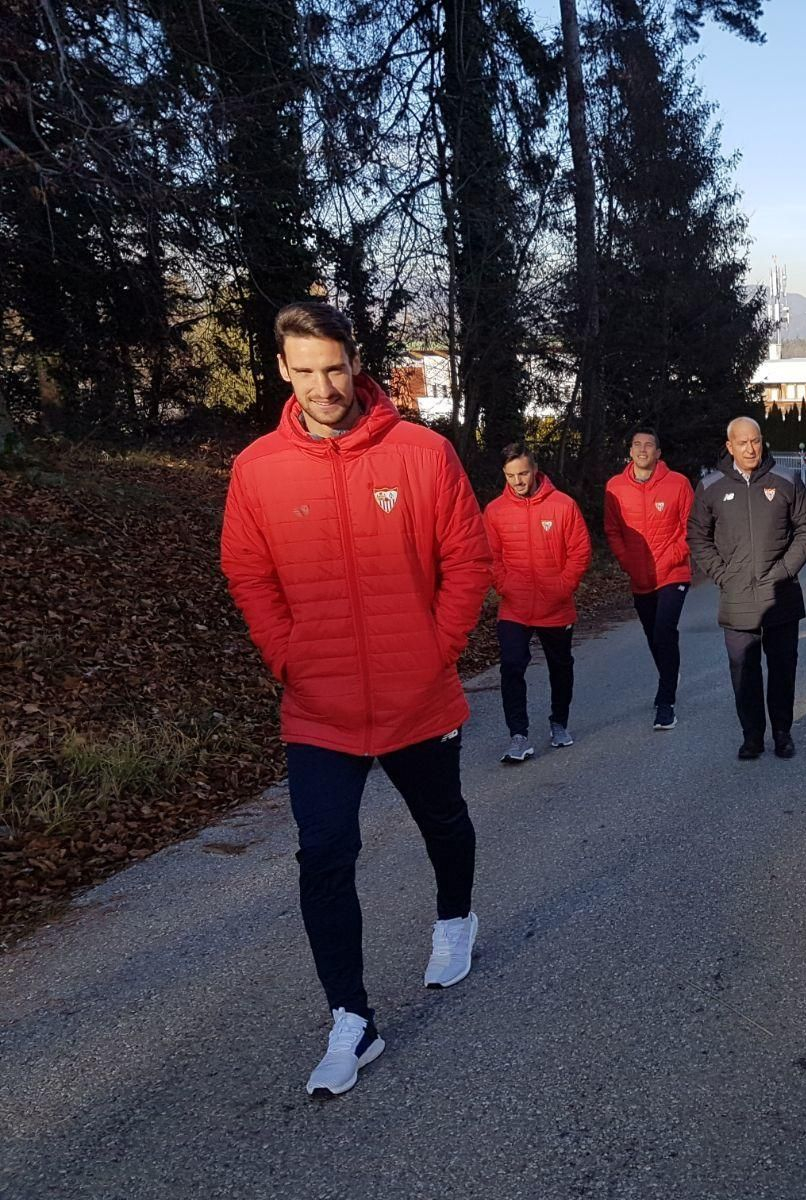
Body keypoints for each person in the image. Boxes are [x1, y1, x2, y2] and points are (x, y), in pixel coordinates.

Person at [220, 300, 492, 1097]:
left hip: (417, 697)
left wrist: (434, 651)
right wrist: (288, 657)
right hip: (320, 705)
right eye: (304, 371)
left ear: (356, 359)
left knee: (444, 819)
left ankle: (454, 918)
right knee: (325, 853)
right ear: (281, 370)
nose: (323, 385)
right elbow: (249, 573)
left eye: (334, 367)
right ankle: (352, 1019)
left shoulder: (424, 454)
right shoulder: (257, 469)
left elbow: (466, 560)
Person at [688, 416, 806, 760]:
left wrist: (786, 569)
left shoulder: (786, 480)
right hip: (737, 599)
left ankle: (782, 732)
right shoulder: (710, 486)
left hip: (781, 596)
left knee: (782, 670)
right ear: (729, 446)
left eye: (756, 441)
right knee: (744, 672)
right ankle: (751, 736)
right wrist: (722, 575)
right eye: (743, 443)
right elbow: (698, 537)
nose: (751, 449)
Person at [484, 442, 591, 762]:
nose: (517, 481)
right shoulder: (494, 511)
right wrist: (505, 585)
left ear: (535, 470)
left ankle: (559, 723)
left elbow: (580, 552)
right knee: (512, 667)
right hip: (514, 606)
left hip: (556, 605)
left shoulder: (563, 505)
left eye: (523, 473)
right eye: (510, 475)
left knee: (561, 667)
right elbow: (490, 557)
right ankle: (518, 735)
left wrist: (562, 587)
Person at [603, 428, 695, 730]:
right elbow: (613, 530)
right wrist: (627, 561)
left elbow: (690, 528)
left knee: (664, 629)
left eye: (649, 445)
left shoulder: (678, 484)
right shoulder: (615, 487)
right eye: (637, 445)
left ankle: (665, 701)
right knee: (653, 635)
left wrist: (670, 558)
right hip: (639, 575)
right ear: (630, 451)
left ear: (658, 453)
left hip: (673, 572)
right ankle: (671, 672)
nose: (642, 450)